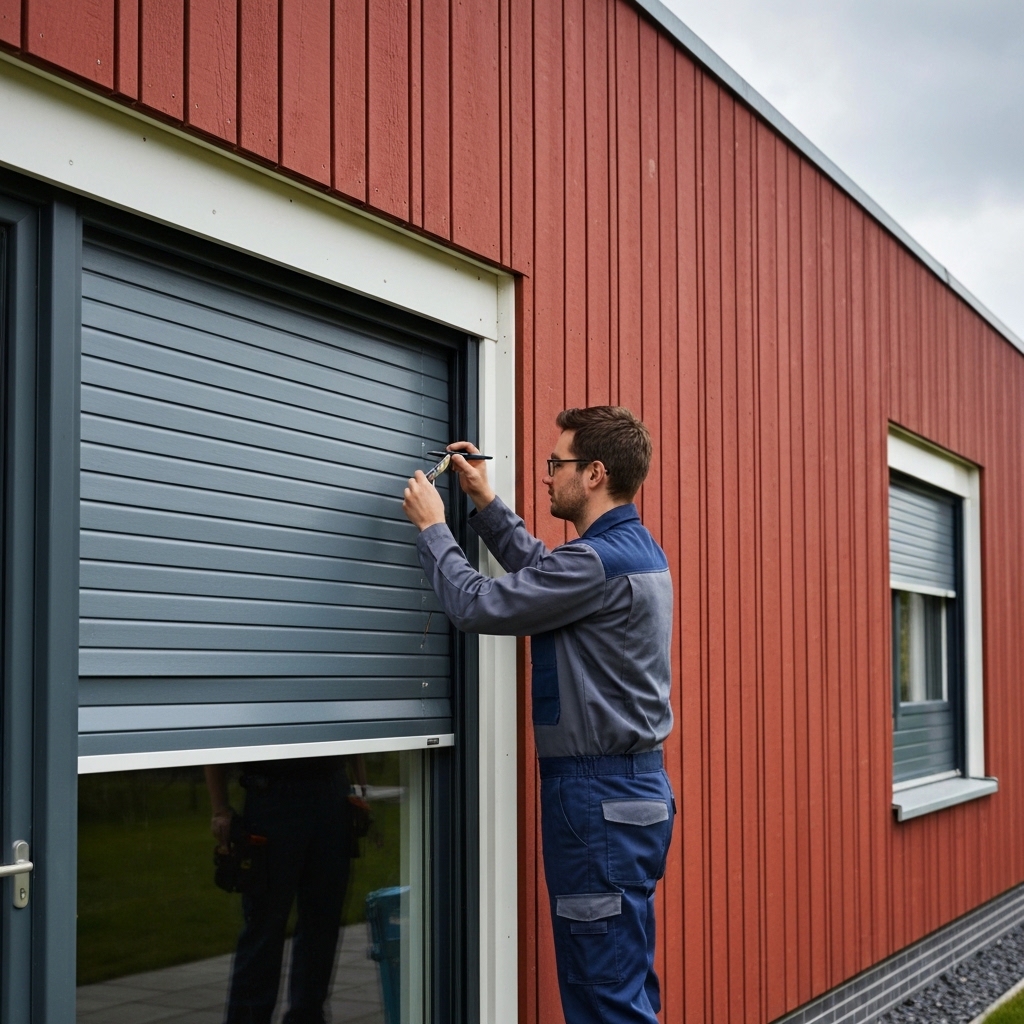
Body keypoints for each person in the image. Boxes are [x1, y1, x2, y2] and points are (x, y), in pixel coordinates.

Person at [402, 405, 675, 1024]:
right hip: (628, 797)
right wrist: (485, 501)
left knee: (604, 998)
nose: (548, 475)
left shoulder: (597, 561)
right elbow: (546, 575)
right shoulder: (629, 551)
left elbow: (477, 605)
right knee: (621, 983)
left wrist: (434, 529)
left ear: (595, 473)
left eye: (557, 463)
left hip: (598, 800)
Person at [205, 756, 368, 1024]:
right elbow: (216, 742)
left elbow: (351, 736)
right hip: (273, 794)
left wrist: (361, 787)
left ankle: (307, 1016)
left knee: (323, 921)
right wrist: (220, 809)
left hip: (332, 793)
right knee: (264, 924)